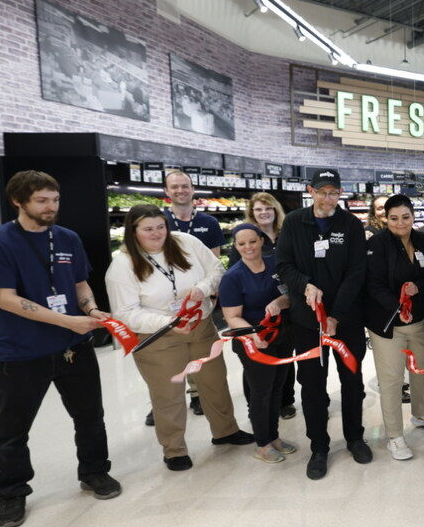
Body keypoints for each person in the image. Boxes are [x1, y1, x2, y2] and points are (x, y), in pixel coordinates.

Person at [0, 170, 120, 527]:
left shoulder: (68, 238)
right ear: (18, 201)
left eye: (54, 200)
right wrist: (68, 321)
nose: (50, 207)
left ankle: (95, 472)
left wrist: (90, 310)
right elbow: (6, 300)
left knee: (89, 417)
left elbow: (81, 282)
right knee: (11, 430)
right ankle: (11, 493)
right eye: (41, 200)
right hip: (20, 353)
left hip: (74, 350)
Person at [107, 205, 249, 471]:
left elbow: (217, 270)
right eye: (148, 229)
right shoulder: (123, 265)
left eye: (160, 226)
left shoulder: (186, 242)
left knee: (214, 383)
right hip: (158, 338)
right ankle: (174, 450)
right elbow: (125, 313)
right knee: (168, 395)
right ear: (133, 231)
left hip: (202, 327)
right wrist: (168, 323)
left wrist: (201, 288)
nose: (157, 233)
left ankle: (226, 431)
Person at [275, 168, 372, 480]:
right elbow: (283, 264)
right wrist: (305, 286)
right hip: (306, 322)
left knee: (352, 381)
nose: (328, 198)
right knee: (313, 386)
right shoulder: (293, 222)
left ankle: (355, 437)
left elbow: (357, 272)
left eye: (333, 192)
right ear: (310, 191)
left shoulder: (351, 225)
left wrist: (335, 314)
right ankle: (319, 446)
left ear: (340, 193)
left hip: (347, 320)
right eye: (322, 191)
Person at [364, 194, 424, 461]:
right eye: (394, 218)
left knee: (421, 371)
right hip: (388, 325)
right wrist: (399, 306)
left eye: (406, 217)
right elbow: (373, 285)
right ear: (385, 218)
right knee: (392, 381)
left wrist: (418, 288)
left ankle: (421, 413)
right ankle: (395, 436)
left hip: (419, 321)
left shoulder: (423, 241)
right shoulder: (377, 244)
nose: (400, 223)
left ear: (413, 217)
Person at [218, 223, 297, 464]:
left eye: (252, 241)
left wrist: (278, 302)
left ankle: (273, 436)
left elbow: (290, 295)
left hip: (281, 336)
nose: (248, 247)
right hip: (253, 341)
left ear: (262, 240)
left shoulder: (275, 265)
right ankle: (262, 443)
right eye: (241, 244)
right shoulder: (233, 277)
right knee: (261, 391)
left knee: (277, 387)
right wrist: (254, 336)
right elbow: (232, 317)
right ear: (236, 246)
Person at [162, 169, 225, 421]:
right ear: (166, 192)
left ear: (192, 189)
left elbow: (215, 260)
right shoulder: (159, 221)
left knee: (200, 346)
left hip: (200, 295)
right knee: (170, 349)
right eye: (174, 187)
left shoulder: (208, 223)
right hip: (169, 299)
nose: (180, 191)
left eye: (184, 186)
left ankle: (198, 393)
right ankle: (167, 396)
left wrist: (211, 292)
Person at [247, 192, 297, 421]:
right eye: (258, 209)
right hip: (258, 307)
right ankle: (256, 404)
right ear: (252, 213)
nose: (263, 213)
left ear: (275, 210)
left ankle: (286, 400)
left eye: (267, 208)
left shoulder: (285, 234)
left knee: (286, 353)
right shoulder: (248, 237)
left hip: (287, 304)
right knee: (257, 360)